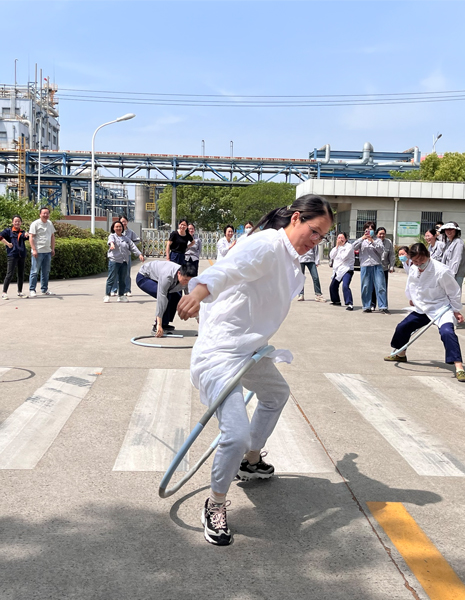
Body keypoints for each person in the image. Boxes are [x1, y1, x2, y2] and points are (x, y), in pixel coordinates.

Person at [175, 194, 333, 546]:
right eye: (314, 231)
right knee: (234, 433)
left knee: (276, 393)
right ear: (296, 219)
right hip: (220, 352)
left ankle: (250, 461)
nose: (316, 240)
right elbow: (227, 269)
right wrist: (197, 294)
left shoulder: (290, 259)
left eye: (322, 236)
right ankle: (215, 504)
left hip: (248, 350)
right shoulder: (267, 245)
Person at [384, 243, 465, 383]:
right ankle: (400, 354)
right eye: (415, 261)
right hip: (422, 308)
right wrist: (412, 299)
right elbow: (412, 285)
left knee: (447, 332)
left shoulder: (441, 271)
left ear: (428, 256)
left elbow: (453, 292)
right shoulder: (413, 268)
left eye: (421, 261)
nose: (419, 264)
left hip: (440, 308)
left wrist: (456, 310)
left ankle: (459, 367)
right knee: (403, 327)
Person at [137, 260, 197, 336]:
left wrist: (198, 318)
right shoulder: (167, 276)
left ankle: (164, 324)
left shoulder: (187, 279)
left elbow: (190, 298)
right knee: (166, 297)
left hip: (159, 277)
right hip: (144, 277)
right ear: (179, 273)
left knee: (177, 296)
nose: (186, 283)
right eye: (185, 280)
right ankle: (157, 326)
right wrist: (159, 324)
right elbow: (161, 298)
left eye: (189, 281)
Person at [106, 220, 144, 303]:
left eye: (120, 227)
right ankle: (107, 295)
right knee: (111, 278)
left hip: (124, 261)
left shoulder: (126, 238)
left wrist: (139, 254)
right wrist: (112, 244)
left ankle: (121, 296)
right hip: (114, 260)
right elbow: (111, 241)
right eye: (116, 227)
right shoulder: (112, 236)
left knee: (122, 279)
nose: (118, 228)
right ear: (113, 228)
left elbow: (133, 246)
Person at [355, 228, 387, 313]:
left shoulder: (378, 240)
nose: (369, 232)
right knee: (365, 286)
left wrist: (372, 241)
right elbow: (353, 247)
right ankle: (366, 306)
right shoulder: (362, 240)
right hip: (365, 265)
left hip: (376, 265)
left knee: (380, 286)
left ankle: (383, 306)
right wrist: (362, 238)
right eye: (367, 230)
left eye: (371, 230)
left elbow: (381, 250)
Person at [0, 215, 29, 299]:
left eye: (19, 221)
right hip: (12, 255)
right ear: (12, 222)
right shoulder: (8, 231)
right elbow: (0, 237)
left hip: (21, 255)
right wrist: (8, 244)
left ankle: (20, 292)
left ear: (21, 223)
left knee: (21, 274)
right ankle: (4, 292)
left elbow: (27, 237)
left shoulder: (22, 232)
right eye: (15, 221)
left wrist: (27, 234)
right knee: (9, 274)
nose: (17, 223)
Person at [28, 207, 56, 297]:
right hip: (38, 251)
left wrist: (53, 248)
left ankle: (44, 289)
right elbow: (31, 237)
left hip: (47, 251)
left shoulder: (50, 223)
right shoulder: (35, 224)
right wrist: (34, 249)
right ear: (40, 214)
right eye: (44, 213)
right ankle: (32, 289)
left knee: (46, 271)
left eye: (47, 213)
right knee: (35, 271)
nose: (46, 215)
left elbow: (52, 236)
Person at [111, 215, 141, 297]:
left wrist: (129, 246)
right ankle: (114, 290)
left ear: (127, 222)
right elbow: (110, 241)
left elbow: (137, 240)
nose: (123, 223)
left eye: (125, 221)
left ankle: (127, 290)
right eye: (122, 221)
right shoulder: (114, 233)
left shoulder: (130, 232)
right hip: (116, 256)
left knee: (126, 273)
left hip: (127, 256)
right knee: (115, 273)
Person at [328, 232, 355, 310]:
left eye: (342, 238)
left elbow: (344, 257)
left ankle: (349, 303)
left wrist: (340, 248)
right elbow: (331, 256)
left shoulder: (349, 246)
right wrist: (337, 246)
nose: (340, 239)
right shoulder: (337, 247)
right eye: (339, 238)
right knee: (333, 286)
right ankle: (336, 300)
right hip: (338, 270)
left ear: (345, 239)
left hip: (347, 269)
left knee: (345, 286)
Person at [439, 221, 465, 289]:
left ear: (456, 230)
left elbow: (456, 260)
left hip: (455, 275)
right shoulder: (449, 243)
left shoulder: (458, 243)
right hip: (447, 274)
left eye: (451, 229)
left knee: (454, 294)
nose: (449, 231)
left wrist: (451, 276)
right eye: (447, 229)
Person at [372, 227, 395, 310]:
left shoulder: (388, 242)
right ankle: (372, 304)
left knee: (383, 288)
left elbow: (392, 255)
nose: (382, 235)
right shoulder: (373, 241)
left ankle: (383, 306)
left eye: (383, 234)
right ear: (376, 234)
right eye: (380, 234)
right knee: (373, 287)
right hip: (374, 268)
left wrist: (391, 266)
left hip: (384, 268)